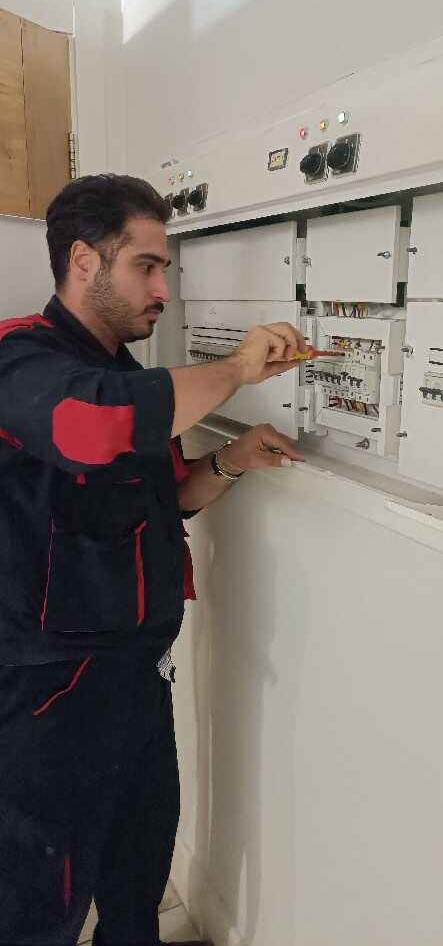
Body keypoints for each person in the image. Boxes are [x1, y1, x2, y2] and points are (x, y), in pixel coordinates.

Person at [0, 174, 306, 946]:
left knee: (136, 884)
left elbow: (169, 502)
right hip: (51, 692)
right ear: (84, 261)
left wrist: (231, 460)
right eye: (147, 265)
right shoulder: (20, 358)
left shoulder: (134, 380)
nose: (163, 289)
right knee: (39, 906)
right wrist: (236, 370)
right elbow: (88, 428)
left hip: (139, 678)